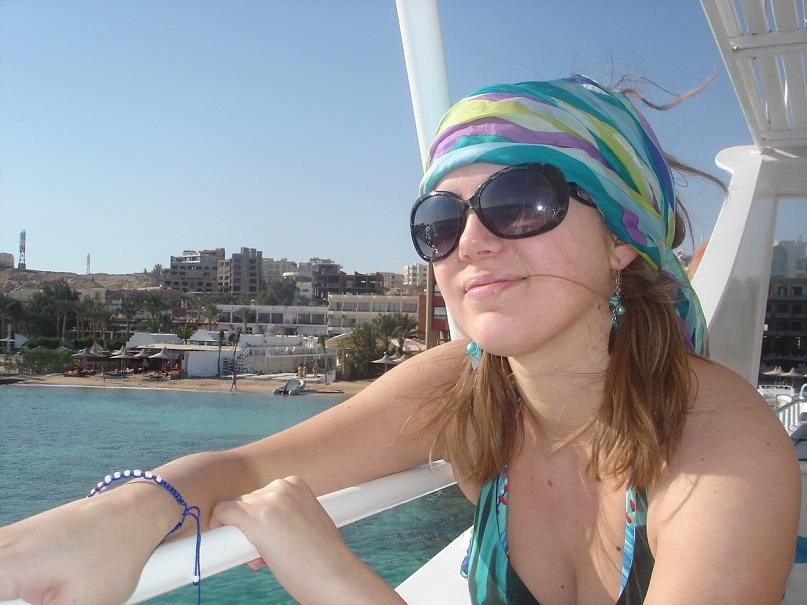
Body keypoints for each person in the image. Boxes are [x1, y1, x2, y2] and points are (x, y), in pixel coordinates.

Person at [0, 76, 801, 605]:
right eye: (440, 220)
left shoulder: (721, 443)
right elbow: (242, 468)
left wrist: (332, 576)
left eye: (521, 200)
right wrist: (126, 512)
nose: (471, 243)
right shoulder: (468, 385)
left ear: (623, 238)